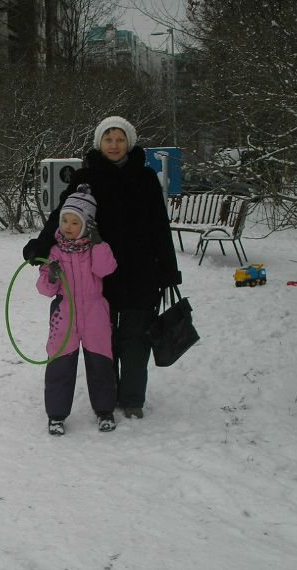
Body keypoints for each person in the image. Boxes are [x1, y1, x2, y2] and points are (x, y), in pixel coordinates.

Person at [24, 116, 181, 419]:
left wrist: (168, 271)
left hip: (141, 272)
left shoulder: (146, 177)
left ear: (129, 143)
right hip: (98, 273)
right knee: (104, 341)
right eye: (108, 138)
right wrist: (41, 247)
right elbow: (63, 215)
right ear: (99, 143)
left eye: (120, 139)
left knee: (136, 338)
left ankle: (133, 398)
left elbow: (160, 226)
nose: (114, 144)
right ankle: (107, 396)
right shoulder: (87, 177)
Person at [37, 184, 118, 436]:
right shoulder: (54, 252)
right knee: (60, 365)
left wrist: (99, 244)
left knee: (101, 364)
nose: (68, 227)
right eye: (65, 221)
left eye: (75, 222)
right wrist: (51, 276)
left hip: (95, 313)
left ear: (86, 225)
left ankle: (105, 411)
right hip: (64, 315)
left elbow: (106, 270)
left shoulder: (95, 249)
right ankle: (56, 415)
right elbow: (45, 289)